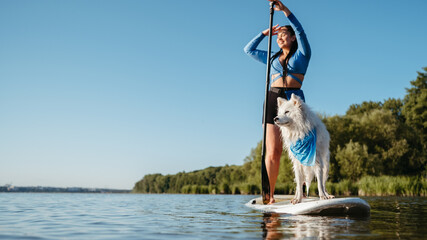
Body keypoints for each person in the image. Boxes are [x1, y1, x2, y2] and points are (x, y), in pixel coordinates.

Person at [243, 0, 311, 204]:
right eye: (278, 35)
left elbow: (301, 31)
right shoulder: (271, 59)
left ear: (292, 38)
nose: (280, 37)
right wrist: (265, 34)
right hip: (273, 98)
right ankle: (269, 195)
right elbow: (248, 49)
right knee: (273, 150)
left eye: (284, 35)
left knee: (300, 148)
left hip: (294, 101)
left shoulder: (303, 55)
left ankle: (303, 192)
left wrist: (285, 11)